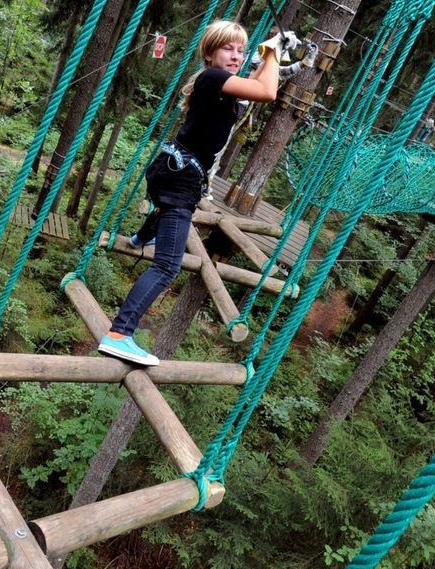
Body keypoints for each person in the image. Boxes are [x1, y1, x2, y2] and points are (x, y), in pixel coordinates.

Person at [98, 21, 295, 367]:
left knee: (165, 218)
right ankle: (119, 334)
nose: (235, 56)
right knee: (167, 266)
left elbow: (260, 77)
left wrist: (272, 56)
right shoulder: (213, 79)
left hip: (175, 173)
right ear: (210, 53)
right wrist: (272, 53)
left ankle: (142, 235)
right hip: (179, 180)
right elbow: (266, 91)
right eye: (227, 49)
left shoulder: (219, 81)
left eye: (240, 49)